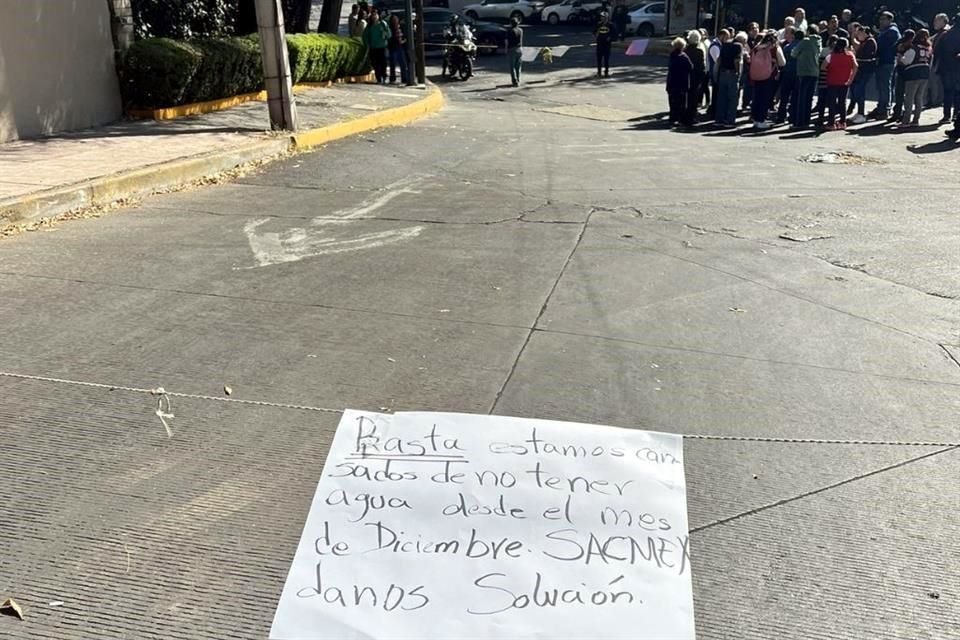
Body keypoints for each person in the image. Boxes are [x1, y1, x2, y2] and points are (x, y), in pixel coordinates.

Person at [749, 32, 784, 129]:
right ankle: (761, 120)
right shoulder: (774, 48)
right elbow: (782, 62)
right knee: (765, 98)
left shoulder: (756, 47)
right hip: (769, 76)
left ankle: (755, 119)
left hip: (756, 75)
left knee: (756, 98)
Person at [899, 28, 932, 127]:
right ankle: (916, 120)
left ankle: (906, 120)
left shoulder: (914, 48)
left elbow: (906, 61)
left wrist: (900, 57)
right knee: (919, 97)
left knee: (909, 97)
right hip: (925, 74)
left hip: (913, 74)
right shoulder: (927, 49)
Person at [823, 37, 857, 129]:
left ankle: (831, 123)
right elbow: (855, 66)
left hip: (832, 81)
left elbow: (823, 67)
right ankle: (843, 122)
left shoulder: (831, 56)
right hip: (845, 82)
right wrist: (851, 79)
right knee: (843, 102)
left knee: (832, 103)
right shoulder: (850, 55)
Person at [791, 25, 821, 129]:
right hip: (815, 72)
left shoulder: (805, 41)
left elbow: (794, 53)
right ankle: (807, 120)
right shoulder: (819, 42)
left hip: (804, 71)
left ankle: (799, 122)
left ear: (808, 31)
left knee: (801, 98)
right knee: (809, 98)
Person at [872, 11, 901, 120]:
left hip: (887, 61)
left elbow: (881, 45)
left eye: (883, 19)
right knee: (882, 86)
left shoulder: (892, 32)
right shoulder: (886, 31)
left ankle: (884, 109)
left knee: (885, 86)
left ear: (890, 20)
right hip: (883, 61)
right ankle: (881, 106)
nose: (881, 21)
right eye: (880, 19)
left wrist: (877, 35)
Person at [714, 29, 742, 127]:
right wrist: (738, 72)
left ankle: (719, 119)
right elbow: (737, 61)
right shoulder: (738, 46)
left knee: (722, 97)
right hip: (732, 73)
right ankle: (730, 120)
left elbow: (719, 60)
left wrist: (716, 74)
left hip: (722, 72)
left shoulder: (724, 45)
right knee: (732, 98)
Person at [850, 26, 877, 123]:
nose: (857, 36)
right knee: (856, 90)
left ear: (864, 32)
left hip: (866, 70)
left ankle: (861, 114)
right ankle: (859, 112)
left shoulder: (870, 42)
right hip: (861, 70)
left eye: (858, 34)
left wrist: (856, 56)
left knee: (860, 90)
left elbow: (866, 56)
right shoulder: (864, 42)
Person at [667, 37, 694, 128]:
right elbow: (691, 68)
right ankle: (680, 119)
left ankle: (672, 118)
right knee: (682, 103)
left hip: (672, 82)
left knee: (672, 101)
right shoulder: (684, 57)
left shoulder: (672, 56)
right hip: (682, 83)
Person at [931, 14, 952, 122]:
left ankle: (948, 114)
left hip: (945, 66)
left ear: (944, 21)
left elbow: (937, 49)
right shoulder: (940, 33)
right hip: (944, 65)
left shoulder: (946, 33)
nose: (934, 23)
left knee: (948, 90)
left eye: (937, 21)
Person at [814, 33, 837, 127]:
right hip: (832, 80)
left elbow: (819, 65)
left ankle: (820, 118)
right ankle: (831, 118)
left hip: (822, 79)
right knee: (832, 100)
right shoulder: (836, 53)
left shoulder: (823, 51)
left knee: (821, 100)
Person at [891, 29, 914, 121]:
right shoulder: (914, 45)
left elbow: (893, 49)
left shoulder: (900, 43)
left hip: (901, 69)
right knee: (907, 94)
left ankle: (897, 112)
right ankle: (903, 113)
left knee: (899, 93)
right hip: (910, 70)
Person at [777, 27, 798, 124]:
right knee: (794, 96)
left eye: (788, 33)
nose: (786, 36)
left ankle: (781, 116)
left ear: (793, 35)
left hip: (787, 73)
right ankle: (792, 116)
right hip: (796, 74)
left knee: (784, 96)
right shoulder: (800, 46)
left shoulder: (786, 47)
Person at [362, 11, 390, 84]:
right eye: (373, 15)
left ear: (378, 16)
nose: (374, 17)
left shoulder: (383, 24)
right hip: (373, 48)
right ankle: (379, 78)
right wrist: (367, 44)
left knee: (383, 63)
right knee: (375, 64)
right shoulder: (369, 26)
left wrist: (385, 34)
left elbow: (389, 34)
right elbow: (364, 36)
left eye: (376, 15)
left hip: (382, 47)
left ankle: (384, 77)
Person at [685, 30, 706, 119]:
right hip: (696, 77)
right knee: (694, 97)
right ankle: (692, 116)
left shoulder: (685, 50)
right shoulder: (699, 52)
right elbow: (702, 67)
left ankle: (684, 115)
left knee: (686, 97)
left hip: (686, 77)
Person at [386, 14, 410, 85]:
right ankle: (394, 78)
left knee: (402, 64)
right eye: (393, 20)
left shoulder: (400, 27)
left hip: (399, 47)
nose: (395, 21)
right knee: (394, 64)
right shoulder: (390, 29)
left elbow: (403, 36)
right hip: (394, 47)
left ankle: (403, 78)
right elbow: (391, 38)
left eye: (396, 20)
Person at [595, 12, 614, 77]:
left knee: (606, 59)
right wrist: (596, 34)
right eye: (602, 17)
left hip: (607, 44)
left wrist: (610, 38)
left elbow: (614, 34)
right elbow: (594, 31)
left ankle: (606, 72)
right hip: (599, 43)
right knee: (599, 59)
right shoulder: (598, 24)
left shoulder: (610, 25)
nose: (603, 18)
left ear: (607, 18)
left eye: (604, 17)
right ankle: (599, 72)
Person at [505, 17, 523, 87]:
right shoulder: (520, 30)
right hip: (519, 48)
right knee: (518, 66)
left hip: (512, 49)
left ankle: (514, 80)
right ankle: (518, 79)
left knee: (512, 66)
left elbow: (506, 41)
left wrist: (506, 49)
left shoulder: (509, 31)